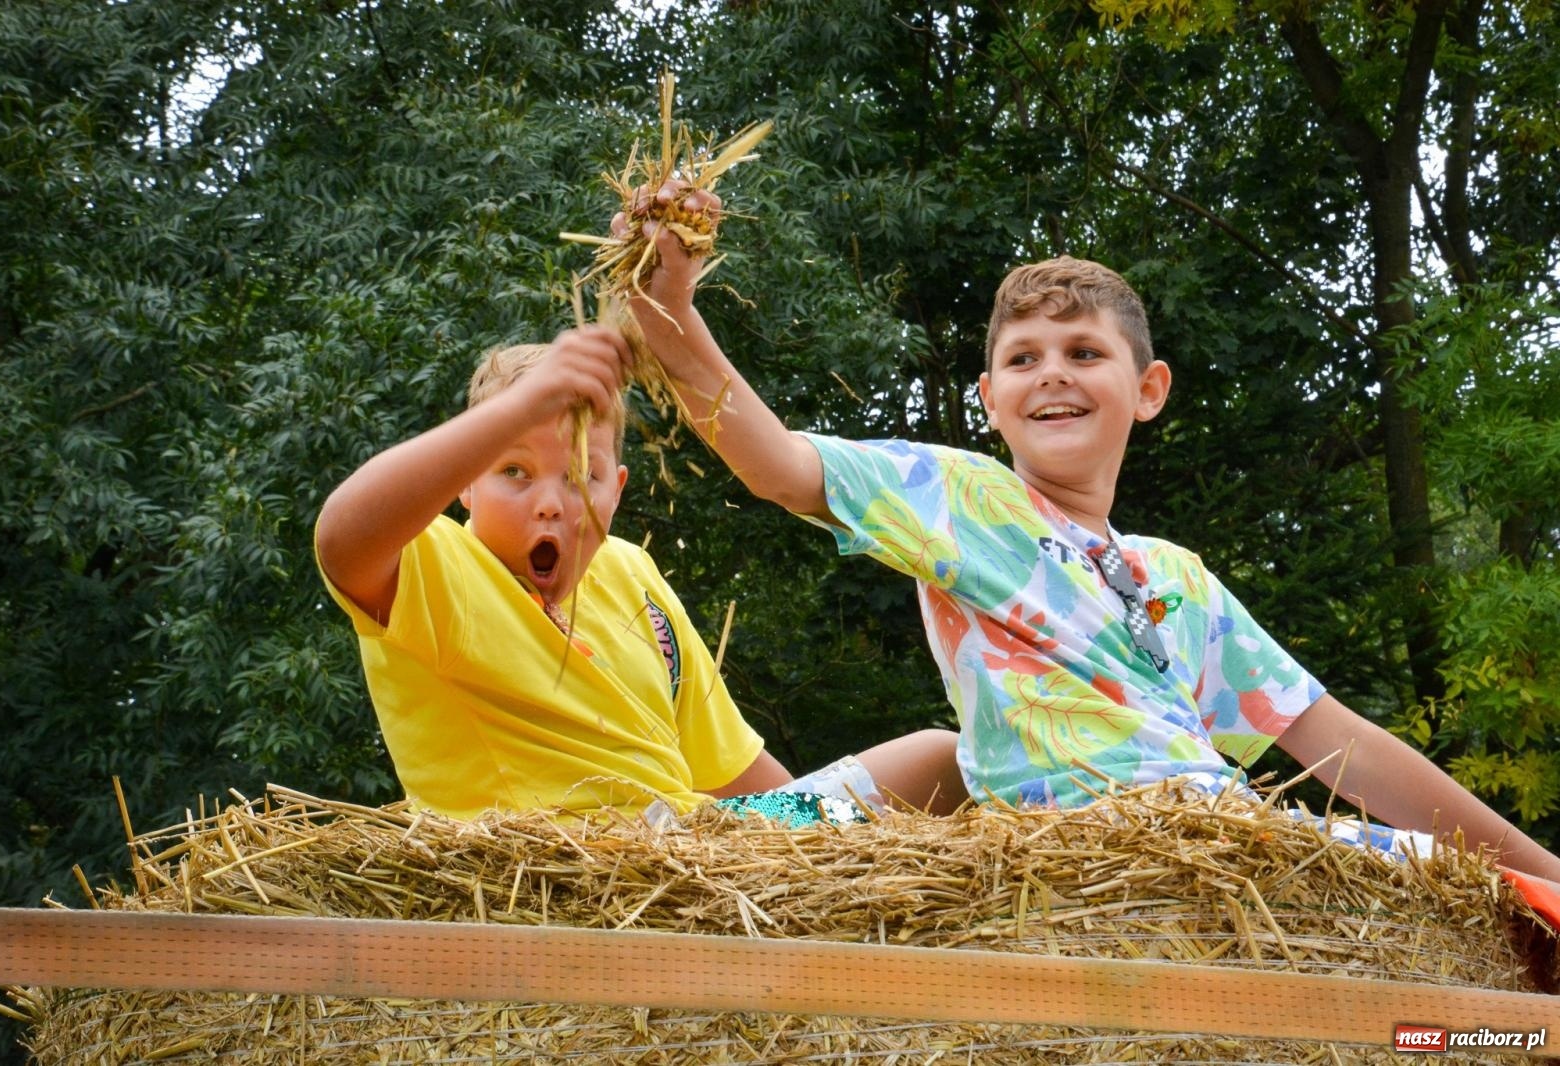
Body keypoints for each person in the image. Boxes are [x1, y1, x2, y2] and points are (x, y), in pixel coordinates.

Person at [622, 182, 1560, 883]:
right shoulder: (960, 497)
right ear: (989, 401)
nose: (1051, 375)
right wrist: (667, 310)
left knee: (1447, 880)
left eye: (1084, 353)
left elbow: (1336, 743)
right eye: (1022, 359)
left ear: (1147, 391)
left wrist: (1533, 867)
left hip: (1222, 835)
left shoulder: (1176, 577)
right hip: (1074, 854)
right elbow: (776, 464)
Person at [315, 328, 964, 822]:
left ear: (616, 491)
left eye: (580, 476)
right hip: (556, 880)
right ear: (463, 483)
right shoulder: (437, 566)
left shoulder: (632, 572)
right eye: (513, 470)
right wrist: (524, 406)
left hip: (699, 851)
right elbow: (343, 537)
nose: (550, 501)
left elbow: (743, 780)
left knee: (945, 759)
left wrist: (806, 851)